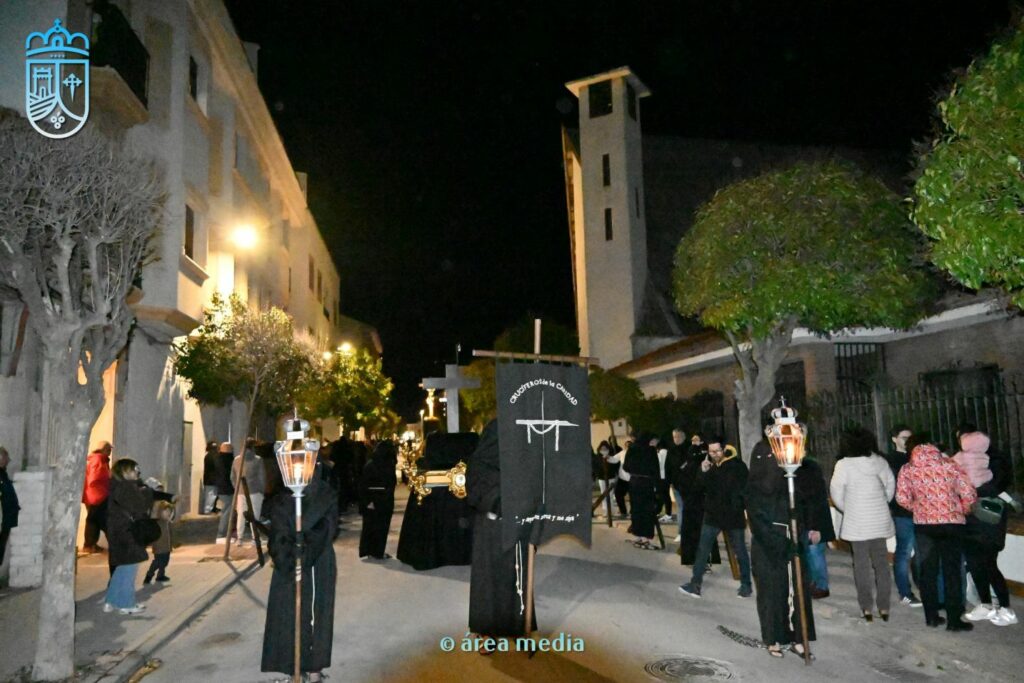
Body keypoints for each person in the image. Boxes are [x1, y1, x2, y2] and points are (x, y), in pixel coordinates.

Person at [261, 456, 338, 681]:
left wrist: (304, 551)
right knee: (289, 612)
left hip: (318, 561)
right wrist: (286, 555)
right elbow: (277, 530)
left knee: (317, 611)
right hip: (288, 561)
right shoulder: (283, 497)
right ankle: (293, 666)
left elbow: (328, 527)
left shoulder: (324, 494)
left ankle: (313, 666)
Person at [746, 438, 817, 659]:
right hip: (770, 546)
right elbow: (758, 523)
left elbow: (802, 509)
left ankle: (797, 638)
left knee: (798, 592)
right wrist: (782, 545)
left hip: (793, 540)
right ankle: (773, 638)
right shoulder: (754, 487)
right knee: (772, 594)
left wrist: (800, 535)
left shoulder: (791, 483)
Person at [896, 443, 977, 631]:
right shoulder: (951, 465)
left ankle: (931, 617)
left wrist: (918, 509)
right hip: (952, 524)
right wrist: (962, 509)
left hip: (924, 526)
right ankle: (954, 620)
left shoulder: (907, 469)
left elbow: (901, 498)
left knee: (928, 571)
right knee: (952, 572)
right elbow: (969, 493)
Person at [467, 420, 536, 643]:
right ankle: (486, 632)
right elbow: (475, 491)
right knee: (489, 582)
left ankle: (517, 627)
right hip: (491, 529)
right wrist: (497, 504)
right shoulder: (480, 463)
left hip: (519, 528)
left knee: (517, 577)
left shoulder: (521, 462)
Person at [830, 428, 896, 621]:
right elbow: (890, 487)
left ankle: (866, 607)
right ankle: (884, 607)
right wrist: (882, 503)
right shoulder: (880, 462)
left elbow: (836, 492)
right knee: (882, 564)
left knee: (861, 565)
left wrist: (847, 508)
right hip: (879, 520)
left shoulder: (844, 465)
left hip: (857, 522)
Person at [956, 431, 1018, 626]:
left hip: (983, 524)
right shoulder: (977, 461)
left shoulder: (991, 462)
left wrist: (969, 491)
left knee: (985, 565)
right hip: (979, 524)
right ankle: (991, 606)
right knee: (981, 565)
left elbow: (993, 487)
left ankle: (999, 608)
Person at [678, 437, 751, 598]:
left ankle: (746, 585)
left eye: (717, 451)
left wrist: (739, 507)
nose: (714, 454)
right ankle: (695, 584)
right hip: (712, 515)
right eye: (711, 452)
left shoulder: (737, 466)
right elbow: (700, 488)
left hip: (733, 515)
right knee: (703, 549)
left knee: (740, 550)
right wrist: (702, 472)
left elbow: (739, 489)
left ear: (724, 449)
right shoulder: (711, 467)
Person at [104, 458, 156, 615]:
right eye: (135, 469)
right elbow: (140, 507)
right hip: (128, 533)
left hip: (118, 531)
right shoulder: (127, 488)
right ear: (125, 471)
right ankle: (126, 604)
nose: (137, 472)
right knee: (130, 568)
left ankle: (111, 601)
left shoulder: (116, 486)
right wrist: (149, 490)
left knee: (121, 567)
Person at [884, 424, 922, 607]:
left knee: (921, 552)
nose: (907, 441)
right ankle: (905, 592)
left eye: (909, 438)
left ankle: (922, 585)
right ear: (894, 439)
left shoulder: (916, 457)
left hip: (921, 511)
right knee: (904, 552)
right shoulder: (891, 460)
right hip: (902, 512)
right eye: (903, 438)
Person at [797, 450, 835, 600]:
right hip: (805, 518)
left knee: (814, 552)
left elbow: (814, 499)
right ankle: (813, 583)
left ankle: (821, 586)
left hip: (813, 519)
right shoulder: (801, 468)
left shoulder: (809, 468)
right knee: (808, 553)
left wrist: (814, 526)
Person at [358, 440, 398, 560]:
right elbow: (391, 484)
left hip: (370, 498)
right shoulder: (388, 465)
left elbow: (363, 484)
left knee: (369, 526)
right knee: (382, 527)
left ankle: (367, 550)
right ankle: (378, 551)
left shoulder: (370, 464)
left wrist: (366, 501)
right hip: (384, 500)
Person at [622, 434, 661, 550]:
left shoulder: (632, 449)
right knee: (647, 510)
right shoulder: (650, 450)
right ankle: (646, 538)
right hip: (647, 482)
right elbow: (655, 468)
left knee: (636, 509)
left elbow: (625, 467)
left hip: (634, 482)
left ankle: (638, 535)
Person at [231, 438, 266, 546]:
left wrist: (237, 487)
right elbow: (262, 477)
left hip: (241, 491)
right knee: (255, 515)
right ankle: (255, 539)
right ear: (253, 447)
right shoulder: (258, 460)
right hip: (255, 491)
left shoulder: (237, 460)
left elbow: (232, 477)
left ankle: (239, 538)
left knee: (241, 514)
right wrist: (262, 491)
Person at [82, 441, 112, 553]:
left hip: (95, 496)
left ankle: (91, 544)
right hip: (97, 496)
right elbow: (94, 479)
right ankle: (90, 545)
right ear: (103, 450)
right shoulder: (98, 460)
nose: (110, 452)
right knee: (103, 521)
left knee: (94, 521)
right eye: (108, 449)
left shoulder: (98, 459)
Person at [665, 429, 688, 542]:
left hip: (688, 485)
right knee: (680, 508)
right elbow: (667, 467)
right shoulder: (671, 450)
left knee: (688, 509)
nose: (676, 439)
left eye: (679, 436)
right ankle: (681, 532)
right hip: (676, 484)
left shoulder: (689, 449)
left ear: (684, 437)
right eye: (674, 437)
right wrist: (669, 482)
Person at [144, 499, 174, 584]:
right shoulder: (157, 522)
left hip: (166, 546)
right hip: (159, 547)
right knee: (158, 562)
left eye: (169, 511)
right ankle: (149, 574)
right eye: (166, 511)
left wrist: (171, 544)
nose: (168, 513)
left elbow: (170, 534)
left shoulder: (167, 522)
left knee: (165, 562)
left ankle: (160, 575)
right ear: (160, 512)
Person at [0, 447, 20, 565]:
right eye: (6, 458)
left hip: (6, 520)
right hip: (3, 520)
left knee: (1, 549)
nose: (8, 461)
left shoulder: (3, 474)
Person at [213, 442, 235, 544]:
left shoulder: (218, 459)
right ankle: (222, 535)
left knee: (227, 511)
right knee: (227, 512)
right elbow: (230, 476)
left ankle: (226, 534)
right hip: (228, 489)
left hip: (222, 489)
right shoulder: (229, 460)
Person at [593, 440, 621, 518]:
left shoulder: (611, 457)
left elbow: (615, 465)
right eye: (602, 449)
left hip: (611, 478)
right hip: (602, 478)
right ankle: (606, 510)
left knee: (610, 495)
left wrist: (608, 459)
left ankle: (611, 510)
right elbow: (596, 468)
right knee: (603, 494)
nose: (604, 450)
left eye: (605, 449)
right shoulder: (597, 458)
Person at [201, 441, 220, 514]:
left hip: (209, 480)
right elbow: (217, 467)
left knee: (210, 495)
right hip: (213, 480)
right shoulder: (214, 456)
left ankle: (209, 509)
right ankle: (208, 510)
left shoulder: (208, 456)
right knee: (211, 495)